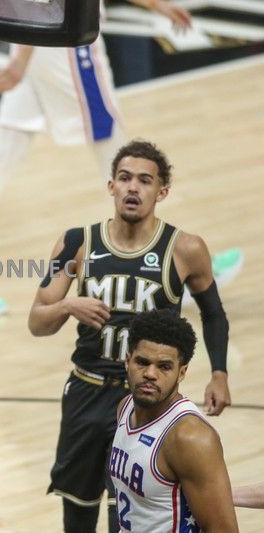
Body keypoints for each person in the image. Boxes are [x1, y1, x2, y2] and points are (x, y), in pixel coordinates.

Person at [0, 0, 243, 316]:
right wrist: (22, 59)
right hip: (64, 36)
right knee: (120, 156)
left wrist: (154, 4)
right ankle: (175, 271)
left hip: (35, 34)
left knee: (5, 154)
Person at [27, 139, 232, 533]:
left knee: (127, 509)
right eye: (124, 178)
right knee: (77, 507)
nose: (133, 188)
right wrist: (68, 306)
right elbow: (37, 321)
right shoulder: (77, 242)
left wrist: (219, 373)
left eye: (144, 180)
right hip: (87, 391)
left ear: (162, 192)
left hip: (146, 399)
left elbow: (214, 314)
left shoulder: (186, 248)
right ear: (111, 186)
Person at [110, 309, 238, 532]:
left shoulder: (189, 437)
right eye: (142, 362)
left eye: (164, 366)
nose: (150, 374)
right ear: (127, 361)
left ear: (182, 372)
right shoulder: (125, 407)